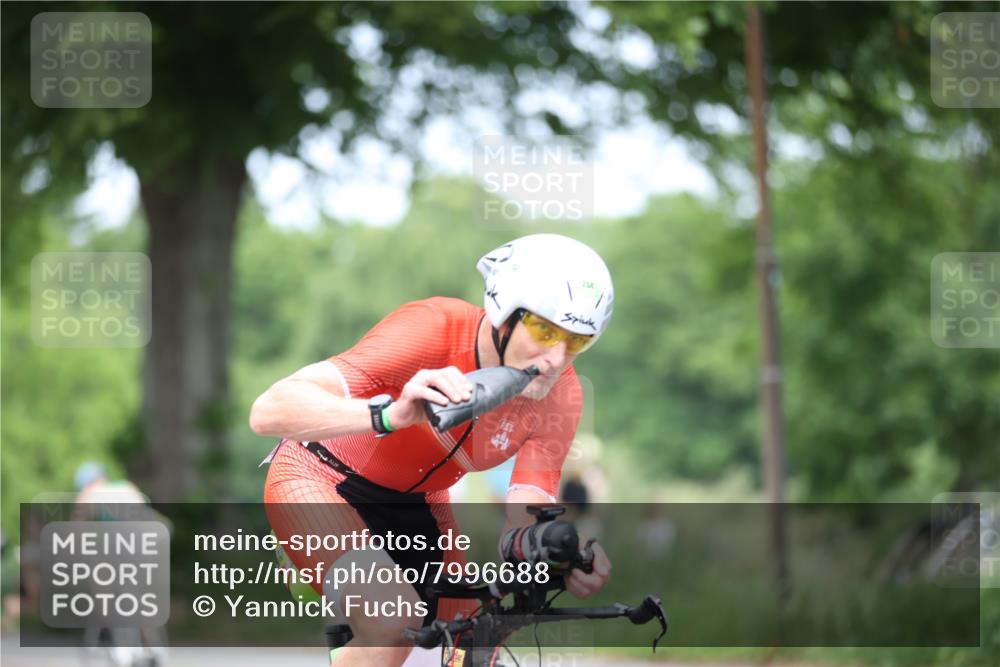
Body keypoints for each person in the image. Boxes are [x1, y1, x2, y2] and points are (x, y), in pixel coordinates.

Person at [251, 233, 614, 667]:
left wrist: (561, 553)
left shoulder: (561, 395)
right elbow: (268, 410)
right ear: (504, 313)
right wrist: (390, 414)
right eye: (545, 330)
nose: (557, 358)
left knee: (471, 643)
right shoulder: (433, 328)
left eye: (576, 341)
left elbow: (524, 517)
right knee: (391, 622)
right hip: (320, 479)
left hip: (422, 504)